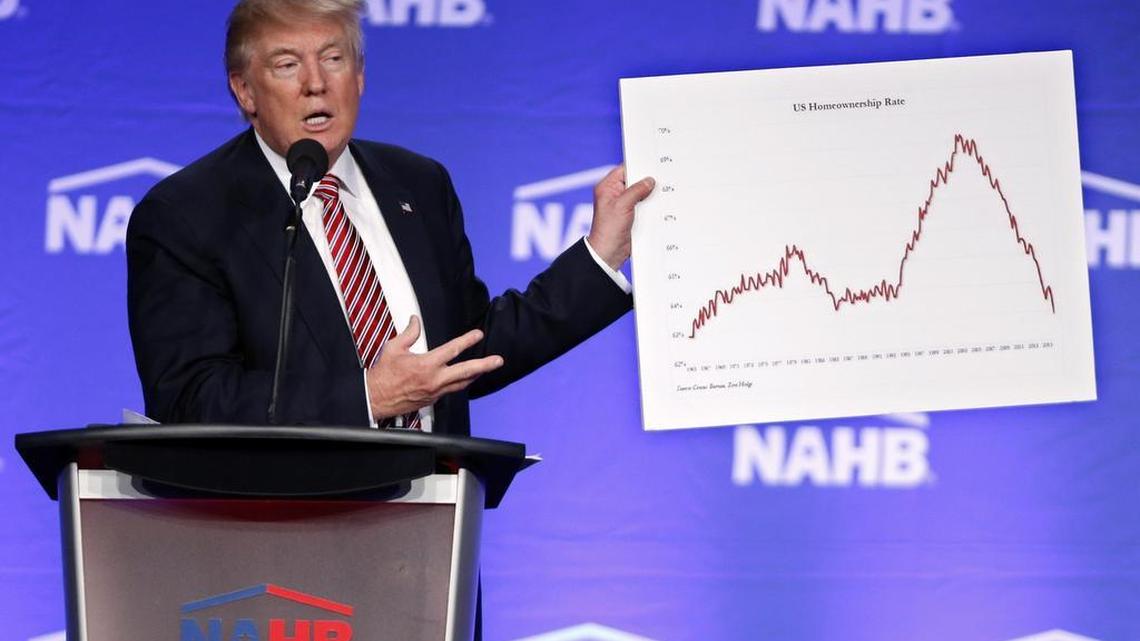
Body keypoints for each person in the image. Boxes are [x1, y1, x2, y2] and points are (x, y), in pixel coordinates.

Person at [126, 0, 654, 434]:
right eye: (287, 65)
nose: (316, 83)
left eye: (333, 59)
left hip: (435, 523)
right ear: (245, 91)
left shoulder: (418, 183)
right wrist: (365, 398)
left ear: (358, 76)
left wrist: (601, 252)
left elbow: (467, 350)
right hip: (281, 535)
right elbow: (190, 401)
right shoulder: (187, 215)